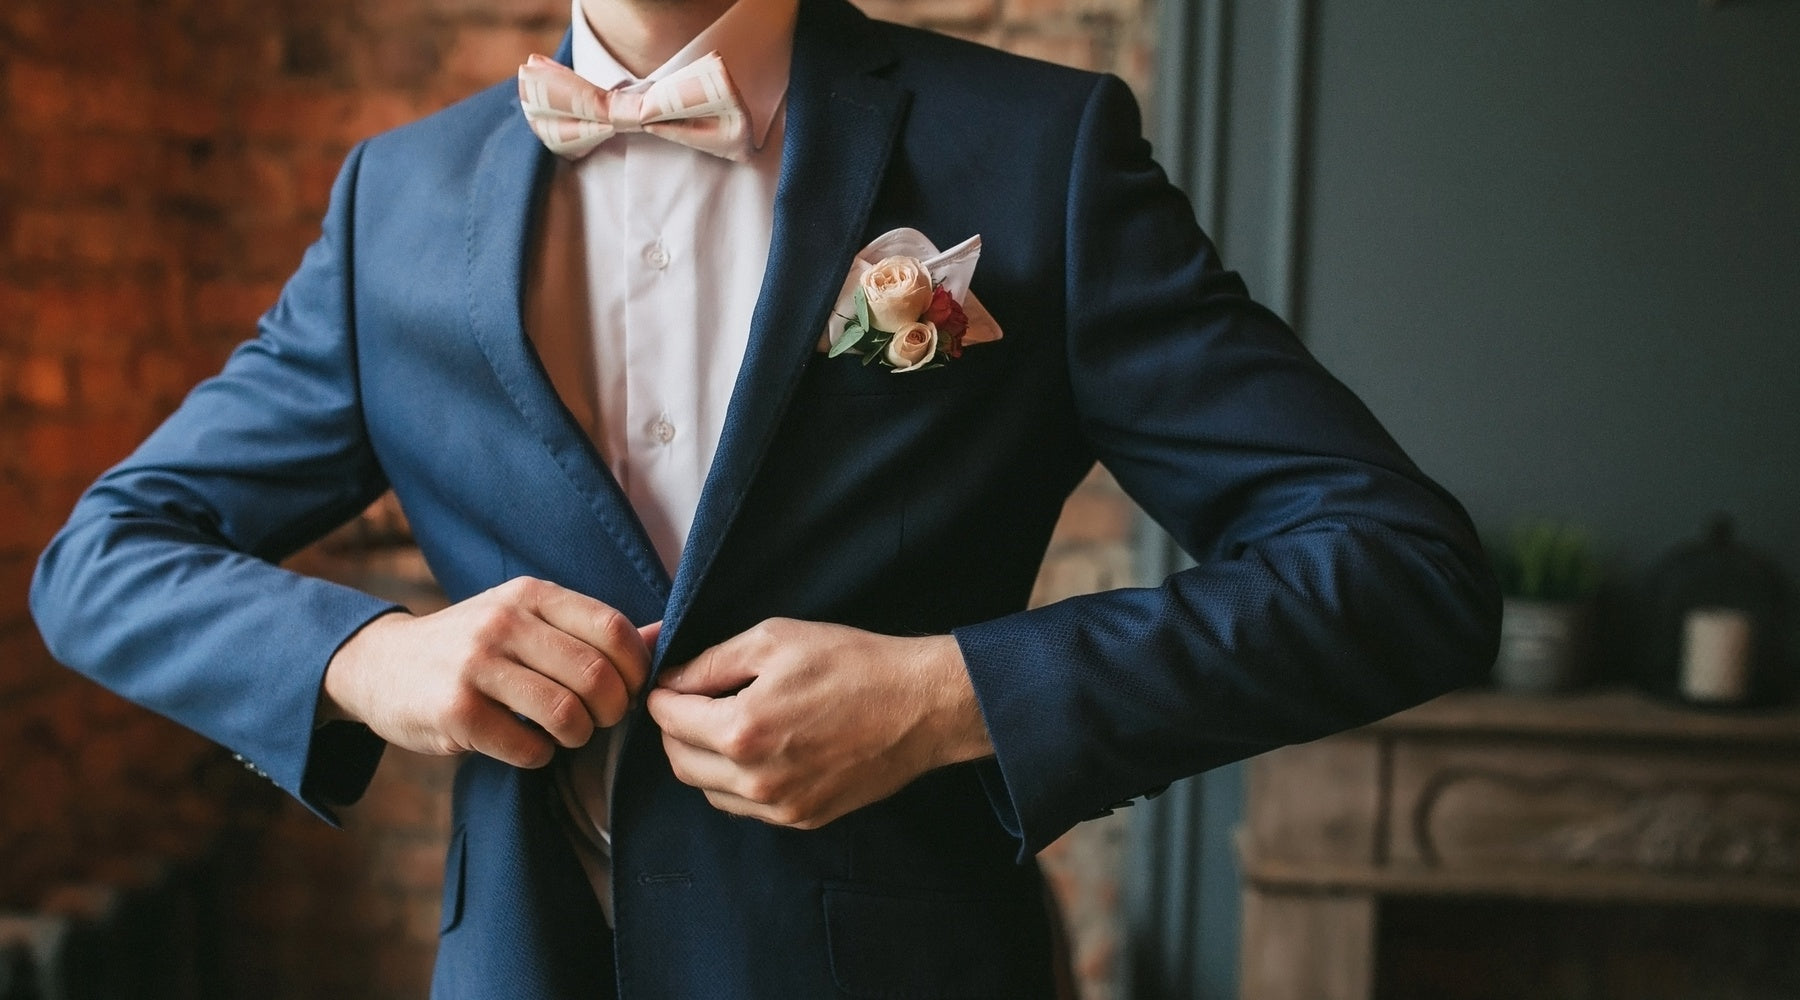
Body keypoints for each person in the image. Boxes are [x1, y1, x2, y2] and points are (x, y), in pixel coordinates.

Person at [30, 0, 1500, 996]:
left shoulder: (1037, 152)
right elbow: (102, 556)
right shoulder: (393, 204)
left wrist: (952, 694)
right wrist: (373, 659)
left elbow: (1400, 569)